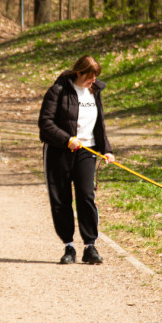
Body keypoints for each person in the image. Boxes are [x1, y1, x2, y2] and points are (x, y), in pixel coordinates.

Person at [38, 55, 115, 265]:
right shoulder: (58, 90)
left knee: (86, 195)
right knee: (61, 198)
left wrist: (106, 149)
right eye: (89, 77)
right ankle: (69, 246)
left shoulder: (94, 91)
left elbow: (99, 124)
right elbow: (45, 124)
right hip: (59, 152)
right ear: (79, 73)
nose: (93, 81)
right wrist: (67, 139)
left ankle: (90, 246)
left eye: (95, 77)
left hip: (87, 151)